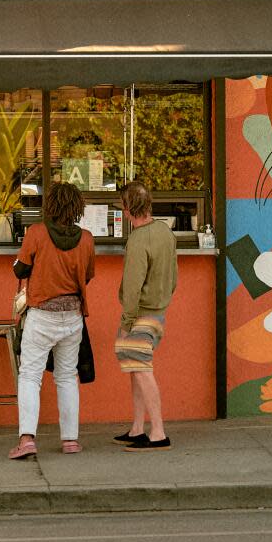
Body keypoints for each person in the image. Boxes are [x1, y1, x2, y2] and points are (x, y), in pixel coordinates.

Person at [8, 182, 96, 459]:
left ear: (51, 206)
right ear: (76, 208)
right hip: (72, 317)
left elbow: (20, 269)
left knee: (30, 376)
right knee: (67, 377)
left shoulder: (36, 233)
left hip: (42, 315)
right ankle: (70, 440)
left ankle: (27, 440)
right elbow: (88, 276)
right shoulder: (87, 238)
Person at [113, 179, 178, 451]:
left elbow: (132, 287)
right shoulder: (165, 232)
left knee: (141, 368)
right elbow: (174, 276)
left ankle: (158, 432)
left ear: (127, 210)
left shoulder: (138, 240)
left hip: (141, 313)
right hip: (159, 311)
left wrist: (127, 323)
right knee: (135, 367)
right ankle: (138, 428)